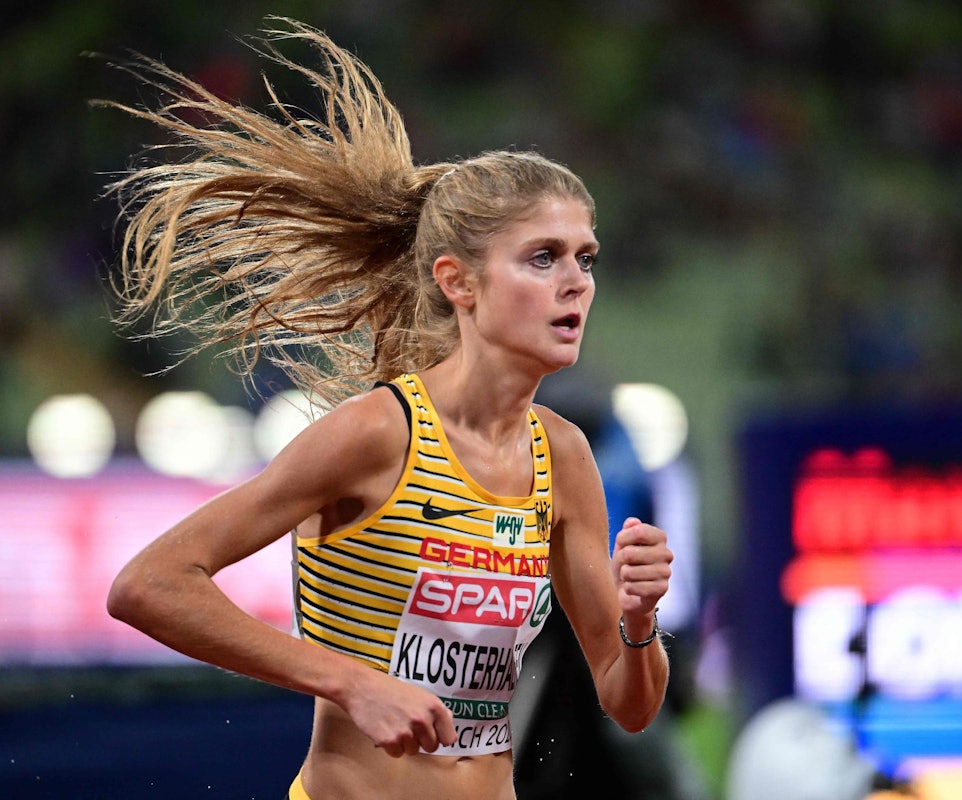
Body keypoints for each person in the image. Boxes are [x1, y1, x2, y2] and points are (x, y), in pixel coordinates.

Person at [101, 18, 674, 800]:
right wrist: (350, 684)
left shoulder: (562, 455)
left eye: (584, 258)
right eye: (542, 257)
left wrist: (640, 621)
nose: (576, 281)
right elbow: (149, 584)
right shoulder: (377, 434)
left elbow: (627, 701)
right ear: (458, 282)